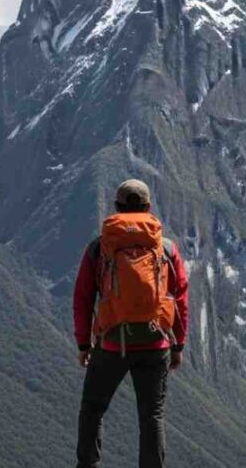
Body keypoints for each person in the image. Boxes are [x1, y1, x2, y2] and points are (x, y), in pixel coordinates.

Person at [73, 179, 189, 468]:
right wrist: (178, 345)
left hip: (111, 343)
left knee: (93, 408)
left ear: (117, 207)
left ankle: (88, 465)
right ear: (148, 207)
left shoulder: (99, 248)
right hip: (155, 342)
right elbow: (180, 298)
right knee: (152, 416)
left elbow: (83, 297)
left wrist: (84, 344)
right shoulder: (166, 248)